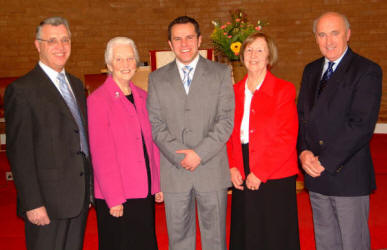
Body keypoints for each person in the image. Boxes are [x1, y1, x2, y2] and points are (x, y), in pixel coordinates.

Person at [4, 17, 93, 250]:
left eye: (65, 40)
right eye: (52, 40)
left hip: (78, 197)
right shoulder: (22, 90)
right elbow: (19, 152)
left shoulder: (75, 85)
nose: (60, 46)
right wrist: (32, 203)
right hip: (47, 202)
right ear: (37, 45)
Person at [147, 16, 235, 250]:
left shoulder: (221, 73)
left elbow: (226, 120)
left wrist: (199, 154)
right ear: (170, 44)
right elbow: (155, 124)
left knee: (215, 239)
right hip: (174, 171)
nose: (184, 43)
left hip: (211, 168)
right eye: (177, 39)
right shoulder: (156, 78)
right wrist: (180, 156)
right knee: (178, 240)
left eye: (189, 37)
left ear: (199, 40)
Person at [297, 12, 382, 250]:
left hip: (347, 174)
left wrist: (324, 161)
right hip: (315, 173)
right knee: (325, 242)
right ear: (316, 38)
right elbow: (302, 117)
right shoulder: (311, 70)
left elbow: (360, 126)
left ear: (348, 34)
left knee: (352, 243)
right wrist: (303, 153)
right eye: (322, 34)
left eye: (335, 33)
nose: (328, 41)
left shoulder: (366, 70)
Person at [227, 32, 300, 250]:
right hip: (242, 167)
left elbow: (287, 136)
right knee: (247, 231)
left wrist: (260, 172)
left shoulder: (283, 90)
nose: (253, 55)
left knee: (273, 233)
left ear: (269, 57)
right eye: (249, 50)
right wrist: (231, 166)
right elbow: (228, 134)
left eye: (260, 50)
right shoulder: (233, 91)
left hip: (274, 172)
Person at [87, 37, 163, 250]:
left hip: (143, 190)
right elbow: (101, 155)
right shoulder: (98, 101)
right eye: (119, 59)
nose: (126, 64)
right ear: (109, 65)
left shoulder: (142, 96)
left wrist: (157, 184)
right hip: (118, 195)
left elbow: (152, 145)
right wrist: (114, 198)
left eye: (130, 59)